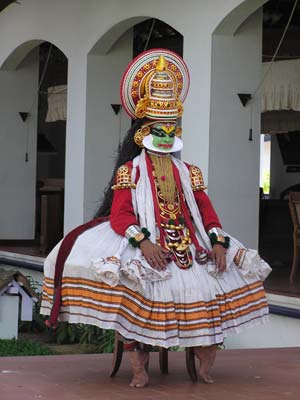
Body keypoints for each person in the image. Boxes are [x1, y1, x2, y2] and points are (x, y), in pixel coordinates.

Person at [41, 49, 271, 387]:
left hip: (191, 244)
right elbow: (120, 215)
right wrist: (144, 243)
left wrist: (218, 242)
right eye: (157, 129)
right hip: (144, 243)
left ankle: (203, 358)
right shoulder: (129, 171)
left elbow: (207, 212)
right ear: (142, 133)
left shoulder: (189, 172)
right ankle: (138, 367)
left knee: (214, 289)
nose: (165, 135)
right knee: (137, 296)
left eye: (170, 128)